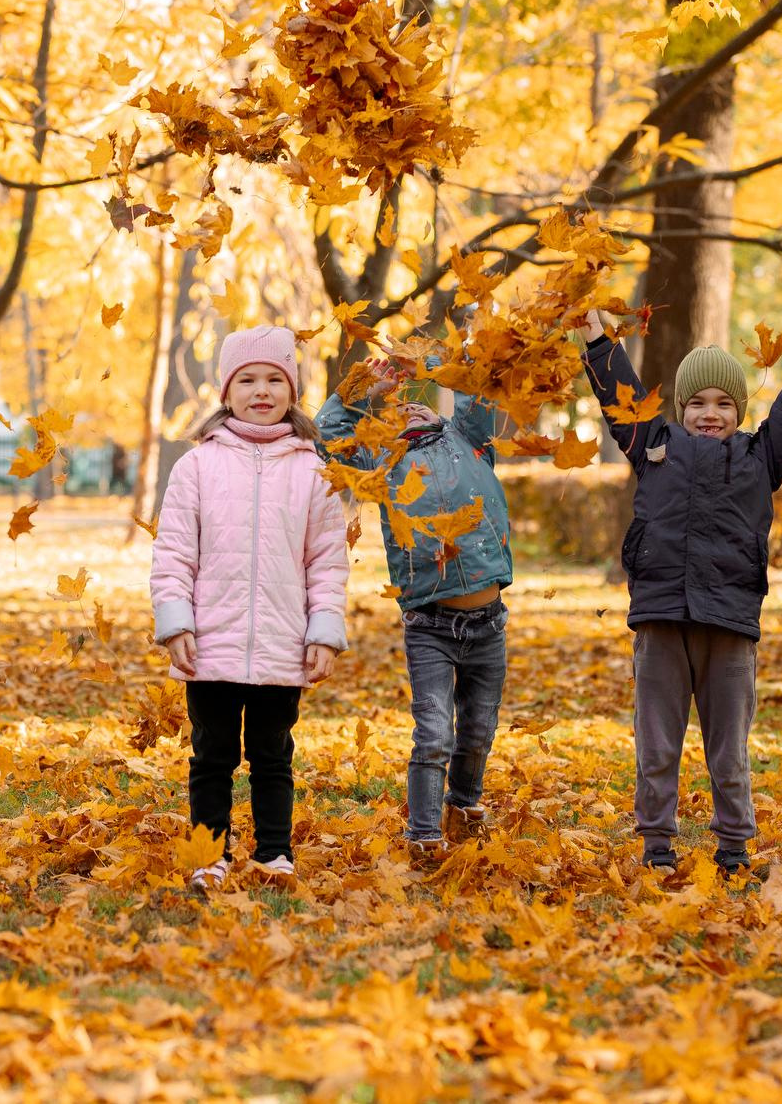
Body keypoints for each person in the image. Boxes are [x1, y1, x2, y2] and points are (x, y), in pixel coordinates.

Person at [580, 284, 782, 873]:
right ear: (680, 409)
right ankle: (657, 843)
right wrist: (595, 336)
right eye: (698, 403)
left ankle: (733, 846)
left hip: (729, 623)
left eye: (724, 404)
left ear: (740, 412)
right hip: (661, 619)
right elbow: (620, 398)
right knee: (656, 744)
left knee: (728, 749)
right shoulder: (652, 446)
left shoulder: (759, 459)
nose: (710, 414)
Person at [151, 326, 349, 889]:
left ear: (291, 390)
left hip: (282, 640)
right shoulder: (196, 468)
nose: (261, 391)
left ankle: (273, 854)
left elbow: (328, 561)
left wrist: (323, 631)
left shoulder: (313, 472)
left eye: (273, 380)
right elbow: (172, 554)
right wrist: (175, 623)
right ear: (226, 391)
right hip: (208, 639)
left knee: (271, 754)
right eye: (247, 379)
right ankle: (209, 855)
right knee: (212, 755)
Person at [316, 361, 515, 857]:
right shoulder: (384, 462)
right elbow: (327, 441)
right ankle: (424, 836)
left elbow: (475, 390)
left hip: (489, 624)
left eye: (414, 397)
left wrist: (436, 364)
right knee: (433, 734)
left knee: (478, 730)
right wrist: (360, 390)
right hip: (430, 624)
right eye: (393, 407)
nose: (406, 405)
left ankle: (463, 804)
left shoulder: (470, 438)